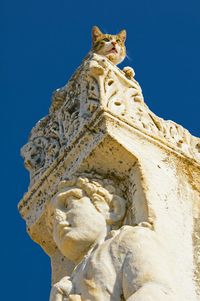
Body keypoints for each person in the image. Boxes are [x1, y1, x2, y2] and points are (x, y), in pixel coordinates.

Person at [49, 174, 176, 301]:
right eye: (52, 220)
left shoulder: (131, 238)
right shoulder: (68, 283)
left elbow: (154, 291)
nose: (58, 218)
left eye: (68, 203)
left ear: (112, 209)